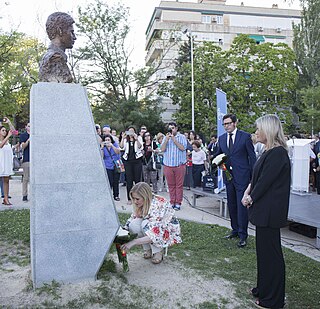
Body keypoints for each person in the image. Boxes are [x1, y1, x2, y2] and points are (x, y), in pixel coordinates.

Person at [242, 114, 291, 309]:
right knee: (264, 254)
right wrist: (248, 190)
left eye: (258, 129)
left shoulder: (277, 153)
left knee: (271, 255)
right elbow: (257, 178)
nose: (256, 132)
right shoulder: (268, 151)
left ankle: (273, 300)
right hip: (264, 211)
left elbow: (265, 182)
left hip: (270, 212)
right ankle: (263, 288)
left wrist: (250, 197)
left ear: (268, 131)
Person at [215, 113, 256, 247]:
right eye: (224, 124)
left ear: (235, 123)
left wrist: (253, 177)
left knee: (241, 206)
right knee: (231, 204)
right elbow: (219, 155)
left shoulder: (245, 137)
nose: (226, 126)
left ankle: (243, 235)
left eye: (228, 123)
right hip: (228, 177)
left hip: (243, 177)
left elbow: (252, 157)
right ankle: (235, 230)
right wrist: (220, 164)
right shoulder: (221, 139)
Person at [121, 182, 182, 264]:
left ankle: (158, 251)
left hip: (166, 230)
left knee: (145, 224)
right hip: (153, 226)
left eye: (137, 199)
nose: (135, 201)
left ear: (145, 197)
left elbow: (155, 234)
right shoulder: (142, 203)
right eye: (133, 198)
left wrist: (133, 242)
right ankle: (148, 249)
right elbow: (133, 217)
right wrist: (124, 229)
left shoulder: (156, 204)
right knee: (134, 224)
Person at [39, 12, 76, 83]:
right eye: (71, 32)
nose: (74, 37)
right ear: (60, 31)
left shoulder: (54, 57)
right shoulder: (54, 59)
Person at [161, 122, 187, 210]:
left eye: (172, 128)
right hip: (168, 165)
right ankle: (172, 201)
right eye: (169, 128)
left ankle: (178, 202)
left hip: (179, 165)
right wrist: (167, 140)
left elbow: (183, 148)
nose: (171, 130)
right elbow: (162, 149)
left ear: (176, 128)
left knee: (178, 185)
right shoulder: (166, 137)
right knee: (171, 185)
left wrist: (174, 140)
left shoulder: (182, 137)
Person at [119, 126, 144, 204]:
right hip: (128, 161)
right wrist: (123, 138)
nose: (131, 133)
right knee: (129, 180)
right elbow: (121, 147)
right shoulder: (126, 139)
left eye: (132, 131)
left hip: (137, 161)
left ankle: (138, 198)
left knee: (137, 180)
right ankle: (130, 199)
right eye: (129, 131)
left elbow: (140, 147)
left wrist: (136, 139)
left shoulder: (138, 138)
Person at [0, 117, 16, 206]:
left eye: (5, 130)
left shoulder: (7, 141)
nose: (5, 132)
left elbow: (14, 131)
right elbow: (1, 145)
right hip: (1, 163)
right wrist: (8, 136)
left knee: (6, 181)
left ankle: (6, 199)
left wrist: (9, 122)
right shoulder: (3, 140)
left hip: (6, 164)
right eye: (3, 130)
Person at [101, 134, 121, 201]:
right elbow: (102, 156)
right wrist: (102, 147)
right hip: (108, 165)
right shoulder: (103, 147)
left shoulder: (114, 144)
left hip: (116, 165)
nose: (107, 141)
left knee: (116, 181)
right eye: (106, 140)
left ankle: (116, 195)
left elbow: (118, 152)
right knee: (110, 181)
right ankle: (109, 195)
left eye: (108, 140)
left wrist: (112, 146)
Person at [20, 123, 30, 202]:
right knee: (26, 178)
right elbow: (22, 146)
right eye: (29, 126)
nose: (30, 127)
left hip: (35, 160)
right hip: (27, 159)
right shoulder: (23, 135)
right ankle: (24, 195)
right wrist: (28, 140)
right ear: (26, 127)